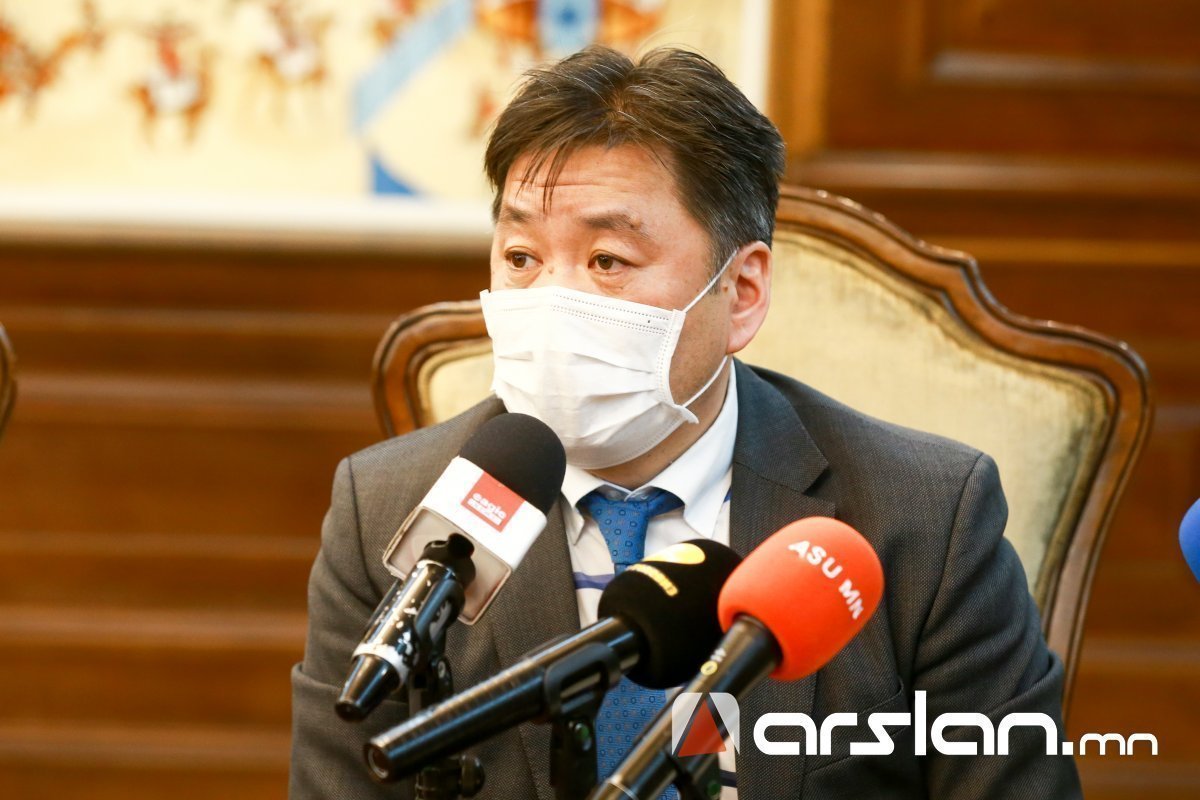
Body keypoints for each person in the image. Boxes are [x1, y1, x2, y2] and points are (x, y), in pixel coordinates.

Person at [289, 46, 1082, 799]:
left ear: (741, 294)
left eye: (607, 260)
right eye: (522, 258)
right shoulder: (390, 509)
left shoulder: (923, 519)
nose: (552, 302)